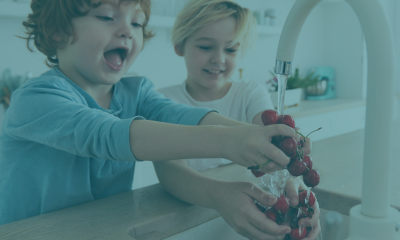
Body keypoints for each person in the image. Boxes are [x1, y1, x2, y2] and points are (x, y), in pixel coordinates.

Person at [0, 0, 311, 239]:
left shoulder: (137, 91)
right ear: (58, 29)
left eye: (136, 23)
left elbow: (183, 116)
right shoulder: (36, 97)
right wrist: (230, 141)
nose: (126, 31)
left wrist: (261, 136)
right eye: (108, 17)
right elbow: (106, 134)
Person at [157, 0, 321, 239]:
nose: (219, 59)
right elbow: (169, 169)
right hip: (187, 224)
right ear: (179, 45)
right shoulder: (163, 100)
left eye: (231, 49)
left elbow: (271, 135)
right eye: (205, 47)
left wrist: (297, 185)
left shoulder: (249, 93)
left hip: (244, 220)